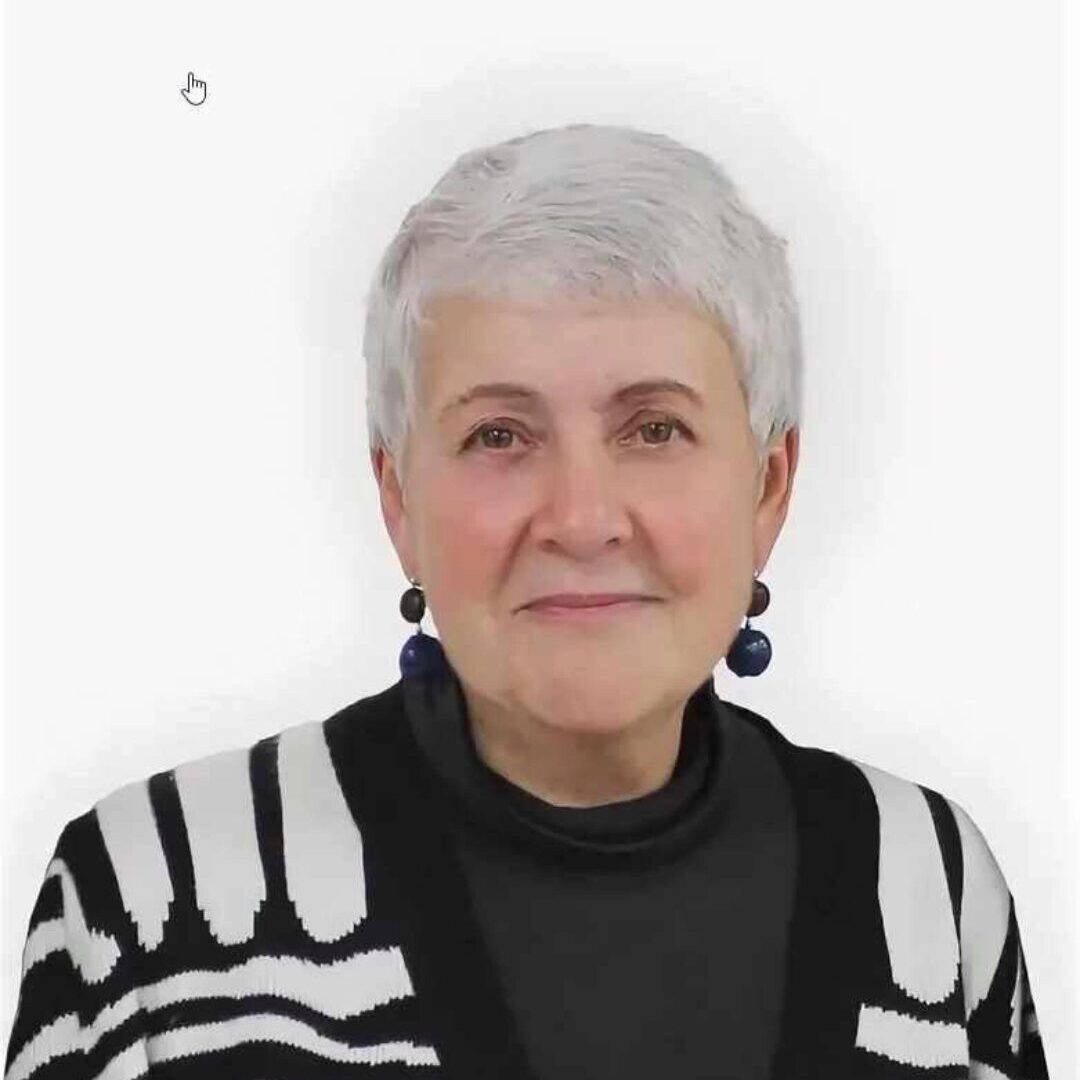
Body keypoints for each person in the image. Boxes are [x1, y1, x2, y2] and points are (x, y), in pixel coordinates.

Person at [4, 122, 1050, 1080]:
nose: (582, 520)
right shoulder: (149, 899)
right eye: (498, 435)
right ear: (398, 499)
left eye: (655, 429)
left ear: (768, 488)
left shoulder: (926, 885)